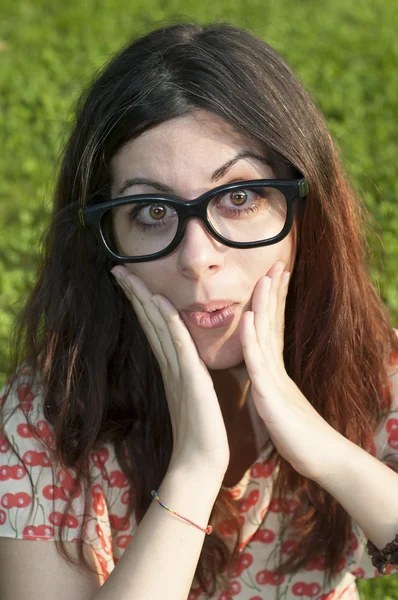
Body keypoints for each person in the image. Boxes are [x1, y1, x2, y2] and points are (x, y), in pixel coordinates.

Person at [0, 21, 397, 600]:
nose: (196, 258)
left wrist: (326, 451)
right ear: (104, 238)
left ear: (303, 215)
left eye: (238, 198)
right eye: (151, 211)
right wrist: (193, 473)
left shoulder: (375, 369)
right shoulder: (46, 423)